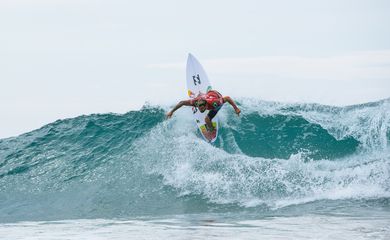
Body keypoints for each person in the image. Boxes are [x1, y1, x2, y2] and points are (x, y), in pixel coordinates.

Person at [166, 90, 241, 131]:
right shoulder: (196, 102)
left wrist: (236, 108)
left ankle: (212, 129)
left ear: (206, 105)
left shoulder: (214, 103)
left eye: (202, 108)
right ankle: (200, 93)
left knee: (207, 119)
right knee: (198, 97)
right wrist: (171, 112)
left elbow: (227, 98)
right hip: (208, 93)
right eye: (199, 108)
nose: (201, 110)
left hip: (216, 95)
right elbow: (182, 103)